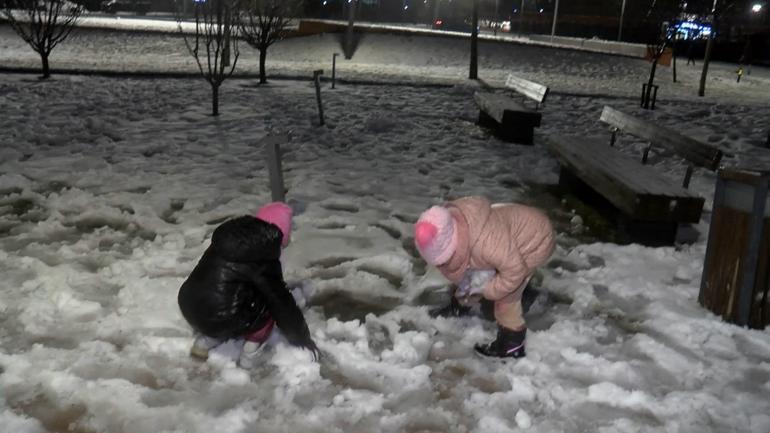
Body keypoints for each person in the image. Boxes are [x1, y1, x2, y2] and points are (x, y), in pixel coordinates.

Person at [178, 202, 319, 368]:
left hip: (190, 304)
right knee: (267, 307)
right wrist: (302, 339)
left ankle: (203, 343)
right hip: (223, 316)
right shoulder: (263, 257)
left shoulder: (228, 240)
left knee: (223, 305)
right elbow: (281, 303)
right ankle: (250, 355)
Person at [414, 196, 555, 359]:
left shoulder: (488, 244)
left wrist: (491, 290)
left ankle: (511, 344)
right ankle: (460, 307)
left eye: (445, 258)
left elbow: (515, 270)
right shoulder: (458, 228)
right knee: (473, 275)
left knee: (506, 297)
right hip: (506, 242)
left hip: (535, 240)